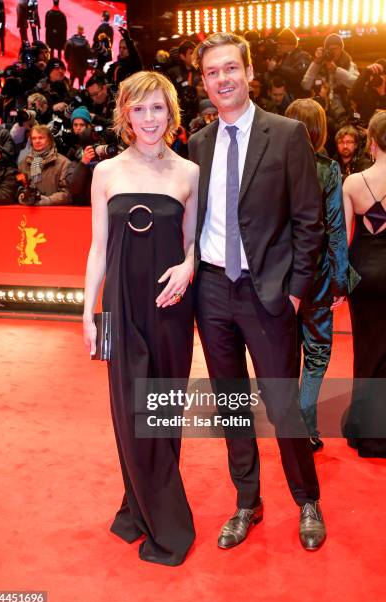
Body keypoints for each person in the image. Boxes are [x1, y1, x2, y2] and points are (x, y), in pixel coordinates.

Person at [189, 32, 326, 551]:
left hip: (268, 293)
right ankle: (247, 502)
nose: (222, 79)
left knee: (282, 402)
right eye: (211, 72)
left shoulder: (287, 134)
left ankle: (306, 497)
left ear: (249, 73)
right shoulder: (199, 141)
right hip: (212, 290)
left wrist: (294, 292)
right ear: (202, 82)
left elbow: (310, 221)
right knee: (230, 404)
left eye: (230, 68)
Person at [83, 71, 198, 565]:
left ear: (170, 113)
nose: (149, 119)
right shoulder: (106, 172)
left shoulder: (188, 173)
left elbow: (194, 242)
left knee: (164, 410)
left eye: (157, 108)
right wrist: (88, 312)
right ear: (125, 114)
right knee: (132, 412)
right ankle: (162, 516)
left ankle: (142, 503)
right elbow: (98, 248)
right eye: (139, 109)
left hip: (172, 306)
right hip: (122, 307)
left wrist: (190, 267)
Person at [285, 98, 350, 451]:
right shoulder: (328, 168)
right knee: (317, 352)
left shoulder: (274, 165)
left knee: (284, 348)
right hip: (318, 274)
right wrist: (341, 280)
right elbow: (336, 229)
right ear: (321, 129)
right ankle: (304, 424)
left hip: (280, 273)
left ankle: (288, 422)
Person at [342, 110, 386, 458]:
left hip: (363, 276)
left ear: (371, 141)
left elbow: (341, 238)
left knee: (366, 351)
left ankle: (364, 430)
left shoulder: (353, 183)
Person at [302, 34, 359, 122]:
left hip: (343, 111)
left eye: (335, 48)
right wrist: (316, 62)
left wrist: (336, 70)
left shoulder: (349, 64)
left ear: (341, 48)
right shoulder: (319, 64)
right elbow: (306, 85)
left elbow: (356, 84)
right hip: (322, 110)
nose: (333, 52)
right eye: (330, 49)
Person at [18, 124, 71, 205]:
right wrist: (21, 196)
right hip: (29, 212)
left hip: (54, 212)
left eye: (41, 138)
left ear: (49, 140)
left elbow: (67, 193)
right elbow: (18, 186)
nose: (37, 141)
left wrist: (49, 200)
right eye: (34, 138)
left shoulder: (64, 163)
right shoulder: (23, 163)